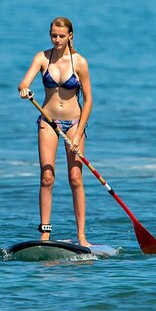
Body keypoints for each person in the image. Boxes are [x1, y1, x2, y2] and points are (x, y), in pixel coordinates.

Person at [17, 17, 94, 247]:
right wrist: (25, 90)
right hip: (48, 122)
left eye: (61, 35)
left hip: (74, 124)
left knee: (75, 178)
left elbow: (89, 100)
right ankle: (45, 234)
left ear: (70, 35)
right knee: (47, 177)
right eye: (53, 35)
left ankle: (81, 236)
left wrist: (79, 133)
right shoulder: (42, 58)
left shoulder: (79, 62)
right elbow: (24, 83)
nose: (57, 40)